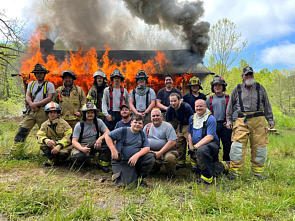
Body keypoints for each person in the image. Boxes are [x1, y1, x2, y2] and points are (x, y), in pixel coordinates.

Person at [226, 66, 275, 179]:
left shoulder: (260, 88)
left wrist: (270, 119)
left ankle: (258, 173)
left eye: (251, 74)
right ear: (242, 76)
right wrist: (228, 120)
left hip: (259, 121)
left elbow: (267, 104)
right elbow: (230, 106)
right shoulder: (237, 89)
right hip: (241, 120)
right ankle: (235, 172)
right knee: (237, 147)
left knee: (260, 148)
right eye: (246, 75)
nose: (249, 77)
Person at [12, 64, 55, 149]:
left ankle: (48, 152)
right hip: (31, 111)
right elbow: (27, 95)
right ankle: (15, 150)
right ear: (35, 74)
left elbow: (49, 98)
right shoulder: (31, 84)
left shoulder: (49, 85)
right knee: (22, 130)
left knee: (45, 132)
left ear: (44, 74)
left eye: (41, 73)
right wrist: (31, 104)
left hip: (43, 111)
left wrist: (36, 104)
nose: (39, 74)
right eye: (37, 73)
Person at [105, 114, 155, 186]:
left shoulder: (142, 134)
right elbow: (107, 136)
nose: (137, 125)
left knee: (150, 157)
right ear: (131, 123)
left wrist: (136, 156)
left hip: (133, 161)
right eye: (135, 122)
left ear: (142, 125)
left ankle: (139, 177)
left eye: (140, 123)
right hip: (120, 160)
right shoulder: (123, 130)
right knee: (124, 184)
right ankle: (122, 175)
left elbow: (147, 148)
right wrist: (113, 149)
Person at [188, 99, 228, 184]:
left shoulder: (211, 119)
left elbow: (210, 137)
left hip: (210, 145)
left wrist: (195, 147)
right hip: (197, 146)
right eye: (197, 106)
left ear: (205, 107)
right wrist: (191, 146)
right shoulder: (192, 118)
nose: (198, 108)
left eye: (201, 106)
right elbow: (189, 134)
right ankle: (218, 165)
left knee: (202, 150)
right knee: (199, 167)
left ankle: (207, 177)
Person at [71, 102, 110, 172]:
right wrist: (82, 148)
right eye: (88, 113)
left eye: (92, 112)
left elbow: (108, 132)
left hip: (94, 144)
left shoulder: (98, 122)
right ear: (84, 114)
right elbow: (74, 141)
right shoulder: (79, 125)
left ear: (95, 114)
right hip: (82, 145)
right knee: (77, 157)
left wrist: (100, 139)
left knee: (107, 140)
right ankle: (85, 162)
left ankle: (103, 164)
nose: (90, 114)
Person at [37, 102, 72, 166]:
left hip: (63, 146)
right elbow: (39, 135)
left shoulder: (64, 123)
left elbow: (69, 136)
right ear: (47, 114)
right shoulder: (44, 124)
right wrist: (46, 141)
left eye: (54, 112)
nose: (52, 114)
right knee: (43, 147)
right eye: (50, 112)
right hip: (51, 145)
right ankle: (52, 160)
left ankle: (65, 160)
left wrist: (59, 146)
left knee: (62, 154)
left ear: (58, 113)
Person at [143, 109, 178, 176]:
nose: (155, 117)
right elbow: (142, 140)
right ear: (151, 118)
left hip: (167, 151)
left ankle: (170, 175)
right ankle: (154, 169)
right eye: (153, 116)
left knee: (169, 158)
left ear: (161, 117)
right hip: (150, 151)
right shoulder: (147, 127)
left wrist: (160, 153)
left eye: (157, 115)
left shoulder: (168, 126)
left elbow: (172, 141)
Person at [206, 75, 231, 161]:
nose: (217, 87)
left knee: (227, 146)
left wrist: (229, 121)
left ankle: (227, 163)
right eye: (215, 85)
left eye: (219, 85)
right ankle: (214, 163)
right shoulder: (209, 99)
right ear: (213, 87)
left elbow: (234, 111)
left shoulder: (228, 98)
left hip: (226, 125)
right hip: (214, 125)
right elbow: (206, 113)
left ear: (223, 86)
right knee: (214, 145)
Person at [166, 93, 194, 169]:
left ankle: (194, 162)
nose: (173, 103)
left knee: (191, 141)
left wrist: (190, 132)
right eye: (171, 101)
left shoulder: (186, 107)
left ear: (179, 100)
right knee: (179, 142)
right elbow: (169, 123)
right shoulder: (169, 109)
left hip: (188, 124)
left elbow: (192, 119)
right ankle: (181, 161)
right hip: (179, 125)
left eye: (175, 101)